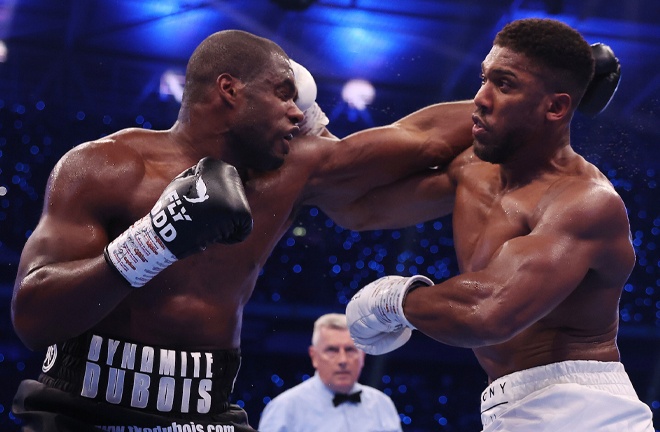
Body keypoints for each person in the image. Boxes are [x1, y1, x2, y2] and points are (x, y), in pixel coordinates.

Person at [10, 29, 476, 430]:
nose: (299, 114)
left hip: (206, 412)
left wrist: (514, 104)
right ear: (230, 90)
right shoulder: (104, 166)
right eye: (283, 94)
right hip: (81, 409)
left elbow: (424, 138)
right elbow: (33, 318)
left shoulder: (293, 171)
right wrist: (153, 240)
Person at [342, 18, 654, 431]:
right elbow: (358, 208)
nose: (480, 98)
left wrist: (396, 301)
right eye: (484, 78)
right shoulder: (472, 169)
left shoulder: (585, 202)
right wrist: (304, 137)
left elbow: (486, 313)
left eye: (504, 85)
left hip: (582, 409)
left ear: (557, 107)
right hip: (512, 405)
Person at [258, 313, 401, 432]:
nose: (343, 360)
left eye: (350, 350)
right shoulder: (286, 408)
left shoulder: (382, 405)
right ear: (314, 356)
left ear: (362, 356)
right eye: (332, 350)